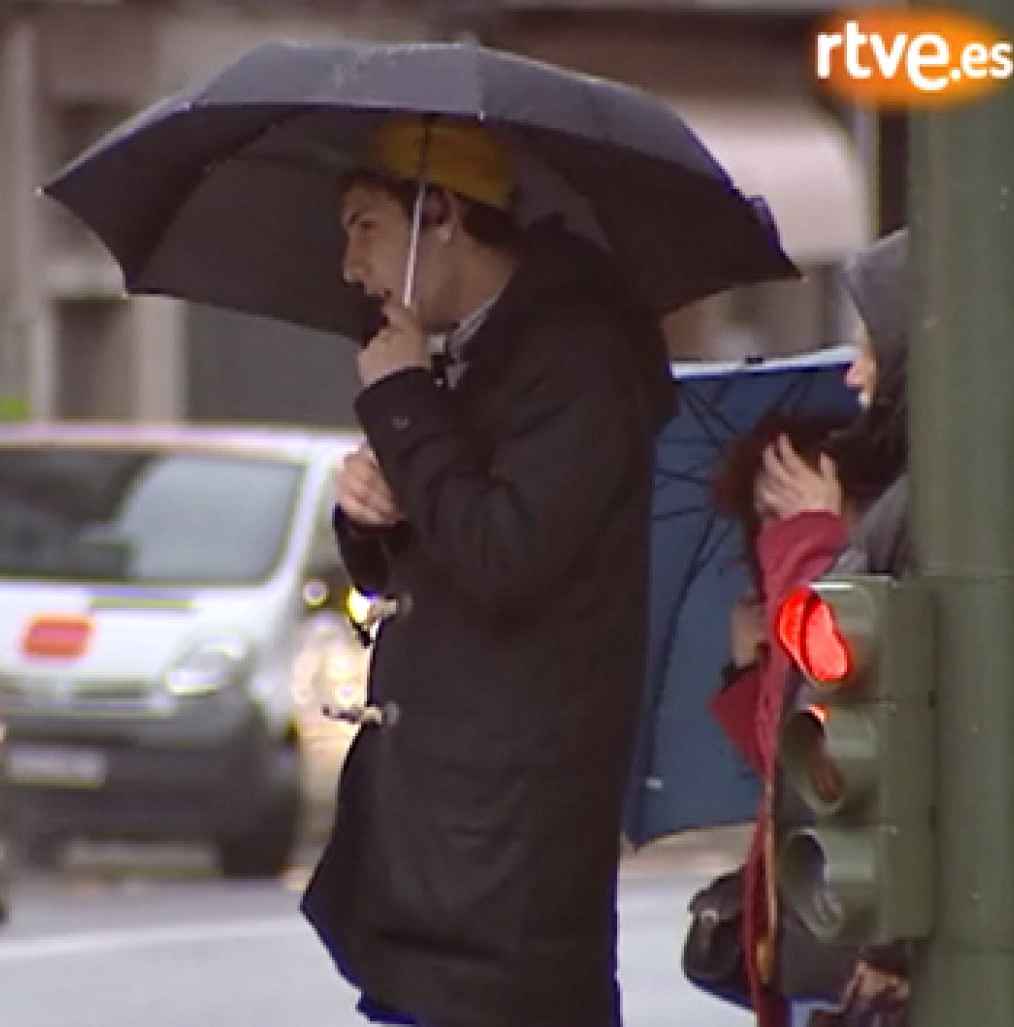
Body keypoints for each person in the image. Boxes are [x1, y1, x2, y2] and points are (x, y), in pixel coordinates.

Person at [299, 114, 677, 1027]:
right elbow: (441, 539)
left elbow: (506, 554)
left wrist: (400, 401)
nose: (351, 265)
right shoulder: (467, 356)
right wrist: (368, 509)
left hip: (503, 868)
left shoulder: (579, 358)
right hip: (436, 859)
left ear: (444, 218)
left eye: (366, 227)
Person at [704, 227, 912, 1027]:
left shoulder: (869, 539)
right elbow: (797, 758)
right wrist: (750, 674)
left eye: (868, 349)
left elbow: (839, 716)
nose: (856, 371)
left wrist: (808, 544)